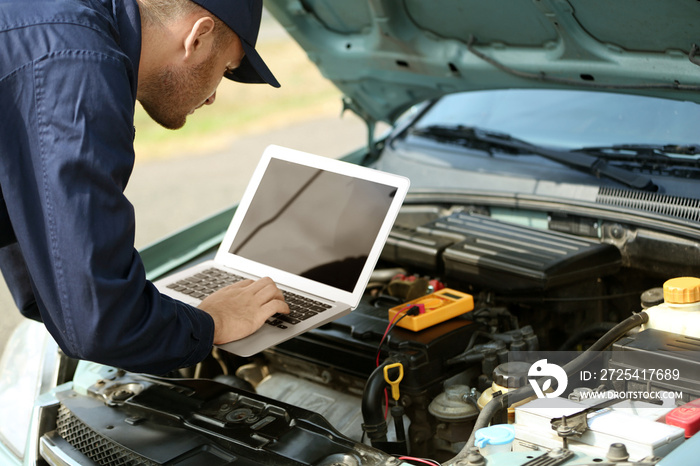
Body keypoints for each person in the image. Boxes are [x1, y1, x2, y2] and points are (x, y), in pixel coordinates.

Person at [0, 0, 289, 374]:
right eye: (226, 69)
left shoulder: (60, 22)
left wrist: (142, 309)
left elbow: (35, 234)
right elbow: (99, 325)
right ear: (197, 37)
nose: (215, 95)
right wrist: (213, 323)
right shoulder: (79, 66)